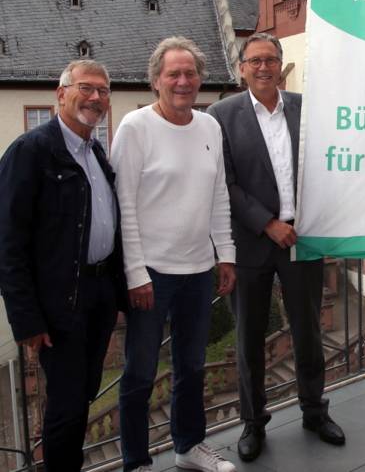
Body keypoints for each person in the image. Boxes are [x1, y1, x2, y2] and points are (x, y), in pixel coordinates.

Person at [207, 32, 345, 462]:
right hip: (252, 243)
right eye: (254, 61)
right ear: (242, 68)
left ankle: (314, 411)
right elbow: (224, 183)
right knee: (249, 337)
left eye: (270, 60)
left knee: (308, 330)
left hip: (303, 237)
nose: (263, 67)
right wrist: (266, 224)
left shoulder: (307, 109)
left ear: (281, 65)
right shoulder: (221, 115)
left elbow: (329, 162)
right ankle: (253, 423)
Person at [111, 37, 237, 472]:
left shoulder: (209, 126)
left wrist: (227, 254)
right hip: (151, 273)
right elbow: (122, 203)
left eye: (190, 74)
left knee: (192, 366)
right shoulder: (135, 128)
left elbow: (218, 195)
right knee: (140, 374)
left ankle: (187, 448)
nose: (183, 82)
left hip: (199, 269)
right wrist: (134, 273)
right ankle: (136, 461)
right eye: (174, 74)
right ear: (156, 81)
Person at [0, 60, 127, 471]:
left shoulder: (96, 152)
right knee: (66, 405)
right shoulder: (32, 151)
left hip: (97, 294)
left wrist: (118, 291)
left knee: (85, 392)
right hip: (60, 303)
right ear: (61, 93)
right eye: (86, 88)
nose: (95, 98)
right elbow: (8, 241)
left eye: (103, 91)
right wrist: (27, 319)